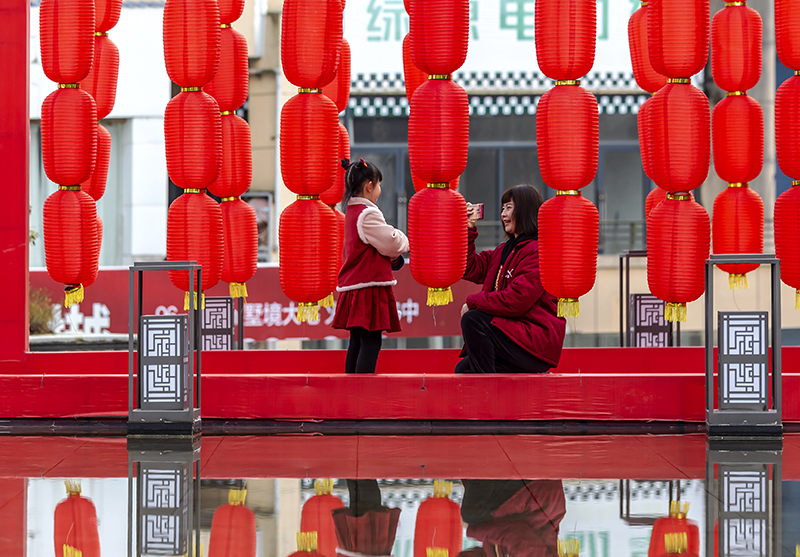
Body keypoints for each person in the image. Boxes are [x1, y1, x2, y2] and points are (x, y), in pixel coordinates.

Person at [456, 184, 565, 374]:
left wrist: (472, 302)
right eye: (502, 208)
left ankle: (488, 394)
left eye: (509, 208)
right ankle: (490, 394)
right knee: (464, 370)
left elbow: (517, 300)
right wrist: (468, 229)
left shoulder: (539, 252)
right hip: (514, 336)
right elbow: (470, 268)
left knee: (473, 319)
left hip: (534, 343)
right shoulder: (504, 250)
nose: (503, 215)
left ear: (524, 210)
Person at [333, 158, 409, 374]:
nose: (379, 189)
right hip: (368, 288)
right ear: (369, 186)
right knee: (371, 343)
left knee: (357, 343)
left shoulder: (352, 213)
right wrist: (403, 238)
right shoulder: (368, 214)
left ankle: (352, 390)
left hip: (356, 287)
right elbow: (393, 242)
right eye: (379, 184)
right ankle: (361, 394)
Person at [458, 480, 566, 557]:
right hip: (536, 497)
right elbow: (517, 536)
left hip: (519, 506)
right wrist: (473, 531)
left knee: (474, 506)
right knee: (473, 513)